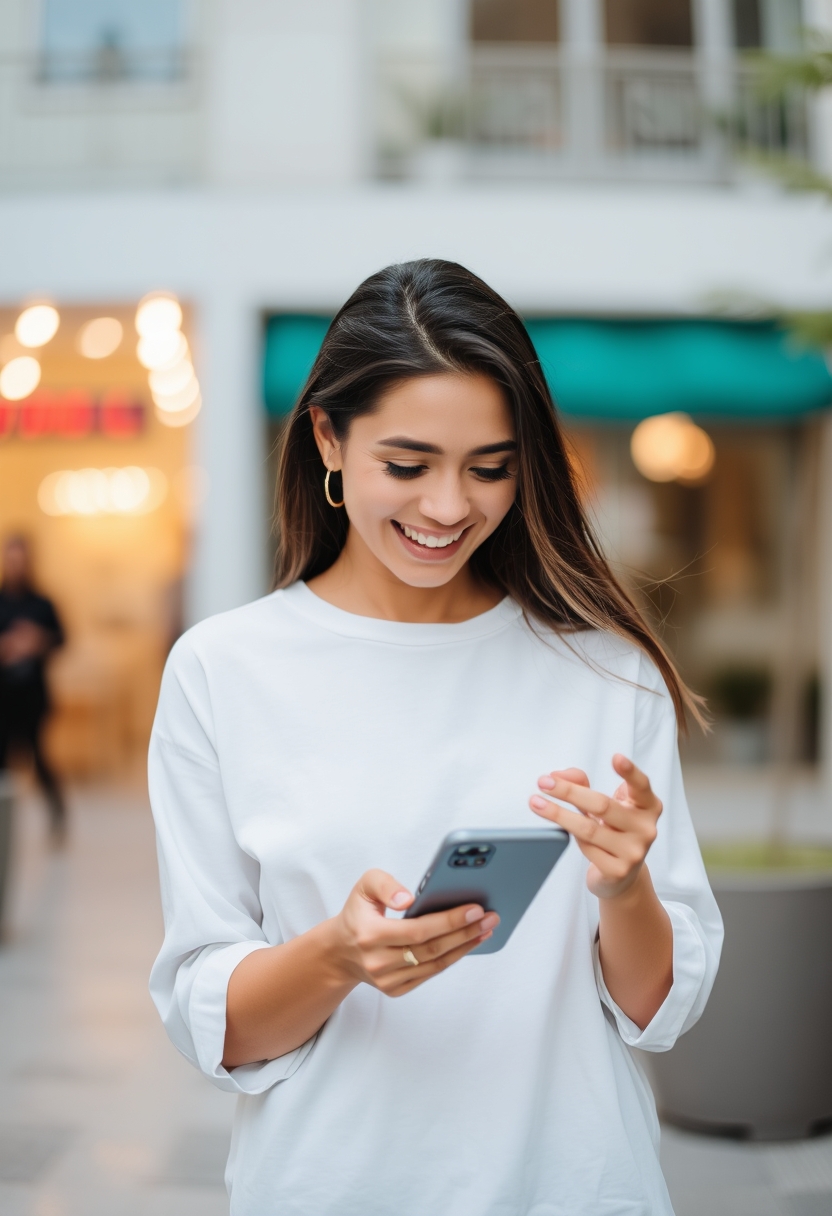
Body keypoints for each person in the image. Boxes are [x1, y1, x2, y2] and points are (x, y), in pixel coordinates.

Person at [149, 260, 722, 1215]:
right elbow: (222, 1028)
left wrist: (624, 888)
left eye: (489, 468)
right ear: (328, 438)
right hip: (328, 1187)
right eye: (407, 466)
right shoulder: (222, 671)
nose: (450, 507)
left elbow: (658, 1009)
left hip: (577, 1185)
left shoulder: (607, 672)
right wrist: (338, 954)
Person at [0, 534, 66, 841]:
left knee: (39, 759)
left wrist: (38, 640)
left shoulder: (43, 603)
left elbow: (62, 639)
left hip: (32, 696)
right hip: (4, 696)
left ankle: (57, 815)